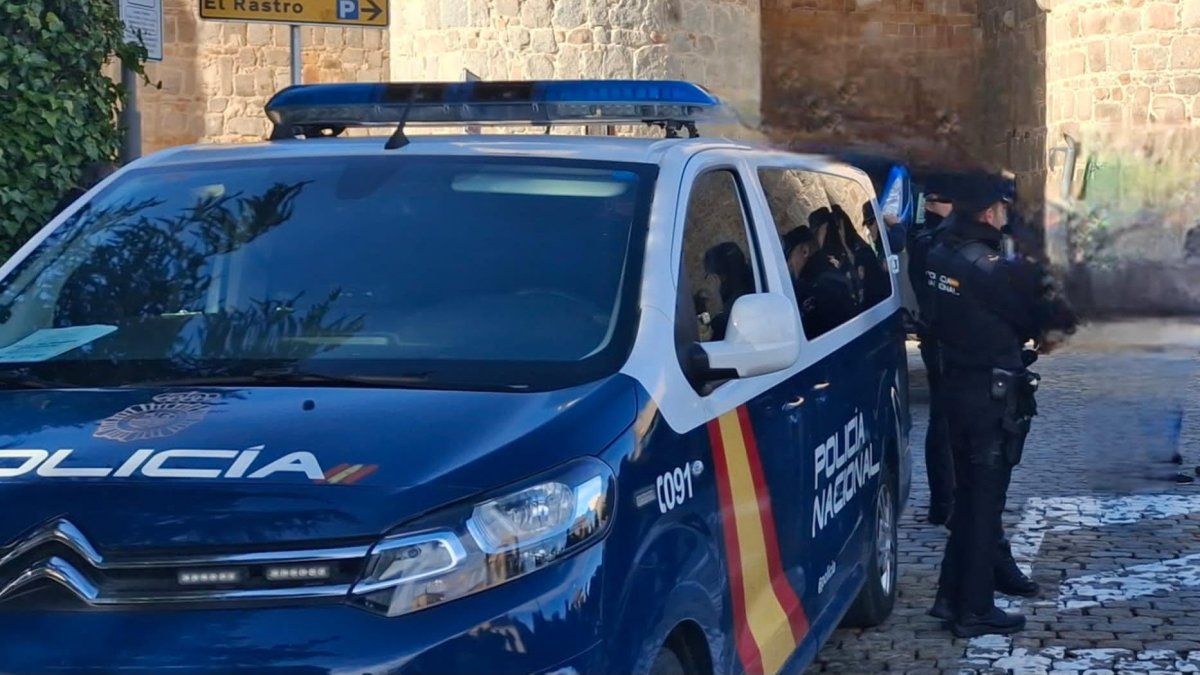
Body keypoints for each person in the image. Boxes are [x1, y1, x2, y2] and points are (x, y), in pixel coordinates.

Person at [923, 173, 1075, 638]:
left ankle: (952, 597)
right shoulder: (992, 266)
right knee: (983, 504)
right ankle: (973, 609)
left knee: (970, 500)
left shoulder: (937, 252)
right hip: (992, 393)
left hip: (956, 386)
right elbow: (1054, 324)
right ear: (989, 212)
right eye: (1002, 208)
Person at [906, 179, 959, 526]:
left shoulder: (933, 238)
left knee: (945, 421)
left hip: (939, 337)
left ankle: (945, 500)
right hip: (943, 339)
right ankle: (945, 501)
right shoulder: (934, 241)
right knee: (944, 422)